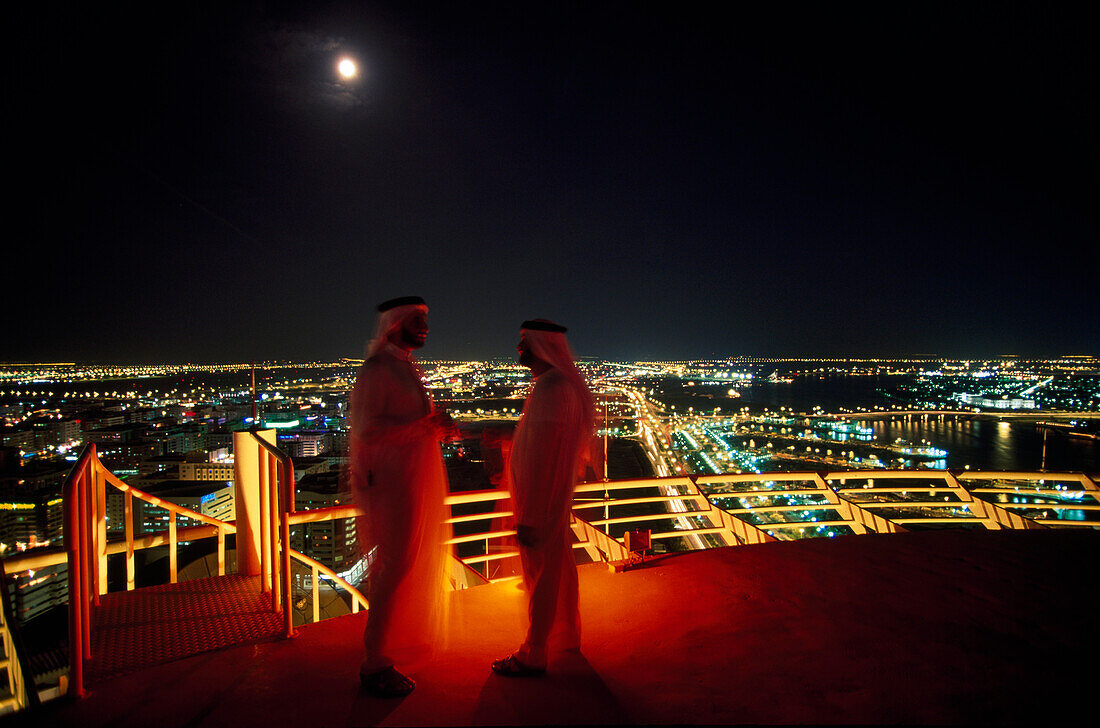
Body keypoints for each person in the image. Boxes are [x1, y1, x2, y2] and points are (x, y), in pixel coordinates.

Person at [348, 296, 454, 697]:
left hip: (410, 483)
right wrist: (423, 426)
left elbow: (411, 426)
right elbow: (367, 431)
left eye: (427, 318)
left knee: (405, 564)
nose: (424, 326)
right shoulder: (378, 370)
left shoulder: (404, 367)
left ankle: (392, 646)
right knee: (392, 567)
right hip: (391, 486)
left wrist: (435, 427)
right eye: (416, 320)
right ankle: (374, 661)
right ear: (394, 325)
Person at [492, 319, 595, 677]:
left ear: (544, 345)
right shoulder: (557, 385)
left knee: (541, 576)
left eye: (526, 342)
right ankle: (565, 637)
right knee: (556, 570)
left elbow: (546, 456)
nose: (519, 349)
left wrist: (532, 515)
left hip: (540, 504)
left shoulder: (552, 388)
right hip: (546, 502)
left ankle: (534, 651)